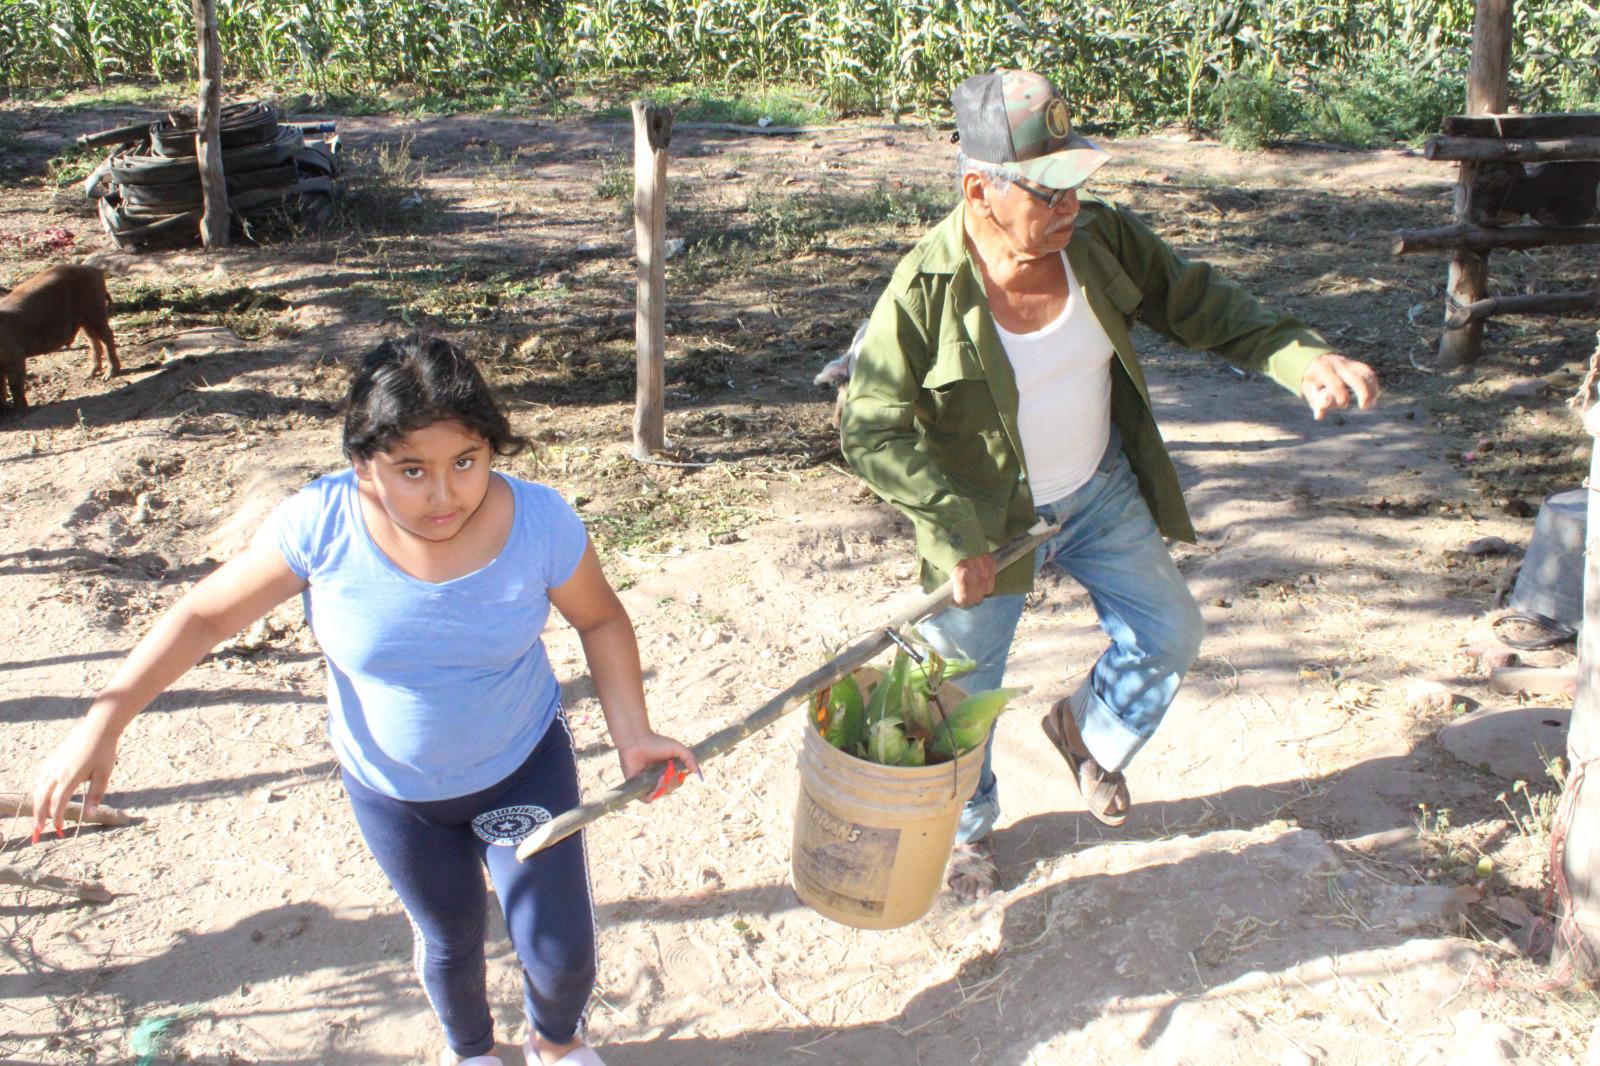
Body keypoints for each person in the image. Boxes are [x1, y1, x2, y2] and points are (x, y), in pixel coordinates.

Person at [30, 334, 697, 1066]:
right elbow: (203, 617)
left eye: (466, 461)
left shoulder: (539, 522)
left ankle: (557, 1043)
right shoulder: (320, 524)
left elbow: (600, 619)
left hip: (521, 769)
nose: (445, 495)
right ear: (362, 464)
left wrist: (633, 735)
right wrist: (103, 723)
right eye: (412, 470)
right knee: (450, 938)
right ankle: (472, 1052)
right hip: (395, 795)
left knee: (559, 951)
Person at [839, 69, 1379, 890]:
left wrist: (1300, 357)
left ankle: (1087, 733)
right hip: (988, 521)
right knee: (957, 695)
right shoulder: (922, 293)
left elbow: (1199, 302)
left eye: (1077, 182)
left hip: (1096, 490)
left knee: (1170, 633)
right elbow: (869, 426)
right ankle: (965, 834)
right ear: (980, 191)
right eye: (1048, 189)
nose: (1071, 206)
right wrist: (951, 530)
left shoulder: (1099, 241)